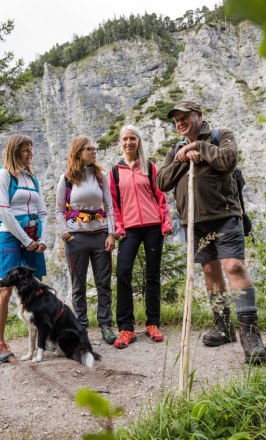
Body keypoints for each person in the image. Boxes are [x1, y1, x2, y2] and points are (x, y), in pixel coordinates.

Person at [155, 100, 266, 364]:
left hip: (226, 215)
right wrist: (183, 157)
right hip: (194, 221)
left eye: (185, 117)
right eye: (176, 120)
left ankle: (250, 334)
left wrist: (200, 147)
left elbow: (228, 160)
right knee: (209, 270)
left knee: (235, 267)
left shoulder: (220, 136)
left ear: (199, 115)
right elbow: (161, 181)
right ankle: (223, 325)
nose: (180, 123)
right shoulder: (175, 149)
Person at [109, 125, 172, 349]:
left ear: (138, 141)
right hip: (129, 229)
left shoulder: (149, 167)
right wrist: (119, 226)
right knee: (123, 273)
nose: (128, 142)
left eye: (132, 139)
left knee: (152, 275)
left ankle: (153, 323)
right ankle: (126, 328)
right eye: (125, 139)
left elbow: (160, 196)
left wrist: (166, 222)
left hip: (154, 227)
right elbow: (114, 203)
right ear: (121, 143)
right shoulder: (115, 171)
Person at [0, 134, 48, 363]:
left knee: (37, 288)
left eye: (31, 150)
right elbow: (3, 210)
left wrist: (42, 238)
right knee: (4, 290)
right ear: (15, 152)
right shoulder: (3, 176)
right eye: (26, 151)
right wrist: (26, 240)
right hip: (11, 237)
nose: (30, 155)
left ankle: (43, 338)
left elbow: (42, 210)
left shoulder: (32, 178)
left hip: (33, 236)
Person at [55, 135, 117, 345]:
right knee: (78, 285)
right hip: (77, 239)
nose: (94, 151)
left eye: (95, 148)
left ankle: (105, 325)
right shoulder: (67, 179)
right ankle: (81, 327)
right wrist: (66, 233)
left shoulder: (100, 177)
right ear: (78, 152)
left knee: (103, 283)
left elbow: (108, 207)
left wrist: (111, 234)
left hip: (100, 237)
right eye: (89, 148)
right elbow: (58, 209)